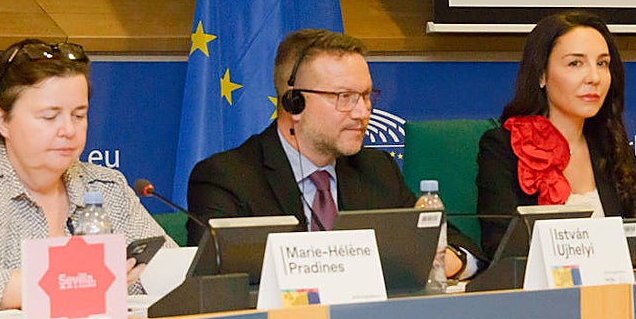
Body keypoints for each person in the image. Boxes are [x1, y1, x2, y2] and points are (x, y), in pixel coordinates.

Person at [187, 29, 481, 279]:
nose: (363, 112)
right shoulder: (227, 178)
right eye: (345, 97)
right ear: (294, 103)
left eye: (366, 96)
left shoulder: (376, 169)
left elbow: (460, 248)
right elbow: (214, 279)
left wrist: (449, 259)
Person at [0, 39, 174, 312]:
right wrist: (66, 282)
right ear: (2, 120)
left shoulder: (106, 186)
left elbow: (172, 269)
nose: (68, 129)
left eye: (79, 115)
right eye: (50, 117)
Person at [476, 10, 636, 258]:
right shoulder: (504, 148)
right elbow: (501, 245)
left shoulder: (608, 144)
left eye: (602, 63)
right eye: (575, 63)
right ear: (541, 75)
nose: (594, 77)